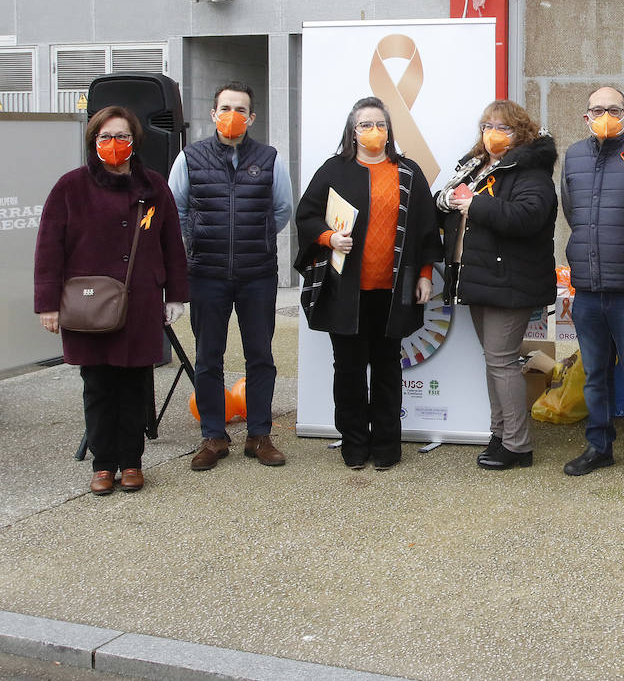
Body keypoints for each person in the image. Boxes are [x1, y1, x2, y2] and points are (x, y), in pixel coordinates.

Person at [34, 107, 189, 495]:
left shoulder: (153, 186)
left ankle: (132, 462)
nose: (114, 144)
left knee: (136, 381)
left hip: (140, 301)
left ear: (134, 142)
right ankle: (104, 464)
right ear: (93, 142)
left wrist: (176, 296)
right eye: (105, 137)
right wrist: (48, 303)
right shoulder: (71, 187)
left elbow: (172, 244)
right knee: (98, 383)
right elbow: (48, 248)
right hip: (88, 304)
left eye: (122, 136)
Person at [295, 97, 441, 471]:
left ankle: (387, 446)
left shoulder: (408, 172)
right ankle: (354, 443)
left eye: (380, 124)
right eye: (365, 125)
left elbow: (426, 228)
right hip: (346, 291)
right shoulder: (334, 170)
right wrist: (329, 238)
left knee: (388, 367)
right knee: (348, 369)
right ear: (352, 131)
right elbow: (306, 215)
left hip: (392, 292)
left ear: (389, 130)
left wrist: (424, 275)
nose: (373, 131)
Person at [168, 81, 293, 470]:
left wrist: (254, 240)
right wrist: (197, 244)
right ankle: (213, 436)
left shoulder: (270, 158)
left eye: (241, 109)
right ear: (213, 113)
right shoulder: (190, 158)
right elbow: (177, 210)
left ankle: (259, 434)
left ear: (252, 117)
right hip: (206, 273)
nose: (232, 115)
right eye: (226, 108)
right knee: (208, 357)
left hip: (257, 274)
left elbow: (281, 210)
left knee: (261, 356)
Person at [435, 100, 557, 470]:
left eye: (502, 127)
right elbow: (443, 204)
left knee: (501, 361)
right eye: (487, 125)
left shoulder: (529, 170)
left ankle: (517, 445)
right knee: (494, 361)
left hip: (510, 280)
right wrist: (448, 202)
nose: (492, 133)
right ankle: (499, 433)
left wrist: (474, 205)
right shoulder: (474, 167)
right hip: (476, 276)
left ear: (521, 132)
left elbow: (529, 216)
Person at [560, 86, 624, 485]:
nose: (606, 115)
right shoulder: (574, 155)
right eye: (597, 109)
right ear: (586, 116)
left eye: (614, 109)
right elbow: (572, 211)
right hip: (587, 288)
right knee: (594, 373)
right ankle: (598, 446)